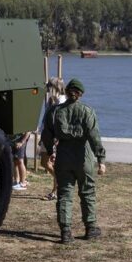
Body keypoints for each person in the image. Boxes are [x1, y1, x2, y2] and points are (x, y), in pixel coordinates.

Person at [41, 77, 106, 244]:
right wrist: (101, 159)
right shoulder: (87, 111)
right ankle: (90, 228)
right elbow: (94, 137)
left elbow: (46, 136)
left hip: (63, 155)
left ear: (67, 92)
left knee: (64, 194)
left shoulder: (54, 112)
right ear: (81, 94)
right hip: (84, 157)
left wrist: (50, 152)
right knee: (87, 193)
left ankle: (65, 232)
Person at [39, 77, 67, 200]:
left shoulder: (62, 102)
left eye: (49, 87)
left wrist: (57, 138)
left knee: (52, 163)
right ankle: (59, 185)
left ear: (54, 88)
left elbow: (61, 122)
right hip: (47, 136)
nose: (47, 89)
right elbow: (47, 118)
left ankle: (56, 191)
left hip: (55, 138)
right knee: (44, 162)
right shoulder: (52, 101)